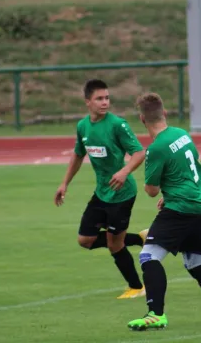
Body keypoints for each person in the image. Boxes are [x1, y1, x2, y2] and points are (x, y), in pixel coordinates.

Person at [127, 92, 201, 331]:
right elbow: (187, 169)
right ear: (164, 113)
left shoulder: (156, 148)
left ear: (142, 119)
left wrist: (162, 191)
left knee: (148, 256)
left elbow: (150, 191)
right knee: (197, 264)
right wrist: (169, 192)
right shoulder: (182, 134)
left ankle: (156, 314)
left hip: (181, 209)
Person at [54, 79, 148, 300]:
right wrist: (64, 183)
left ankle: (137, 287)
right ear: (88, 102)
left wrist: (124, 172)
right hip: (102, 192)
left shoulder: (118, 125)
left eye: (107, 98)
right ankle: (142, 239)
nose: (105, 102)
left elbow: (139, 152)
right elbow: (78, 154)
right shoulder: (83, 126)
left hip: (122, 193)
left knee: (115, 244)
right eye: (99, 98)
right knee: (85, 240)